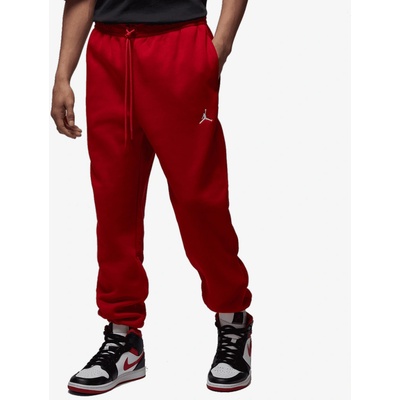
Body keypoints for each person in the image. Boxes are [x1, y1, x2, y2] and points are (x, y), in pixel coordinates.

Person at [51, 0, 253, 394]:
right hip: (108, 52)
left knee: (199, 200)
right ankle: (123, 338)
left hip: (179, 45)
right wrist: (63, 74)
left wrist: (220, 46)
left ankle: (233, 319)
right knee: (114, 202)